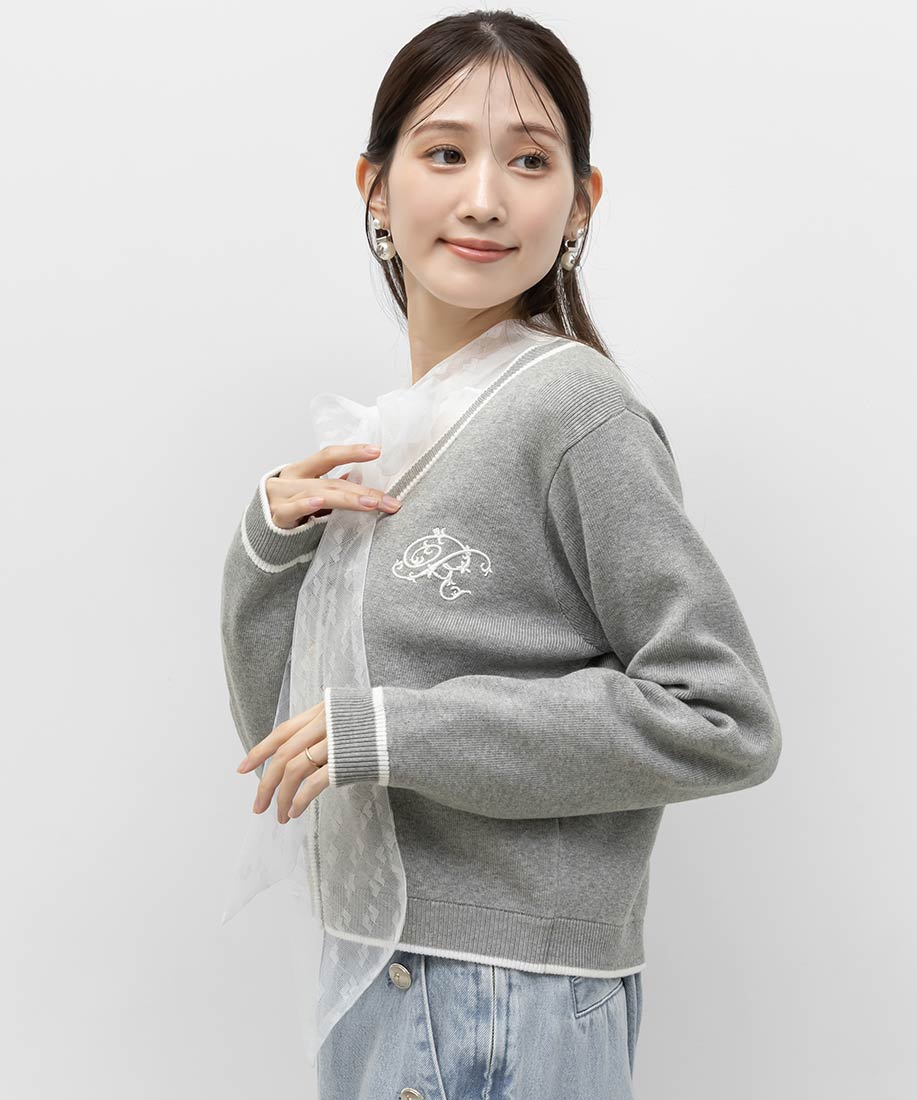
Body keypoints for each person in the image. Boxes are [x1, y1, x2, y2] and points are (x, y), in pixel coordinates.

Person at [221, 10, 782, 1098]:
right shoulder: (396, 433)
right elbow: (291, 755)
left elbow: (721, 717)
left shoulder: (571, 408)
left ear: (580, 203)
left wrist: (403, 730)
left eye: (528, 161)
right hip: (375, 968)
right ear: (374, 188)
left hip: (501, 996)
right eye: (444, 153)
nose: (484, 197)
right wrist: (267, 552)